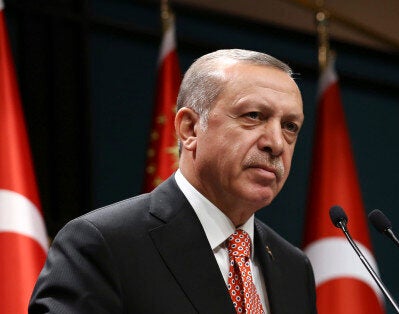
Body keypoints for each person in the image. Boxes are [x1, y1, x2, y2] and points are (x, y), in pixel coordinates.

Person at [29, 49, 317, 314]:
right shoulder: (105, 244)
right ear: (189, 128)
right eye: (253, 116)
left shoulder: (293, 266)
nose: (277, 143)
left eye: (290, 126)